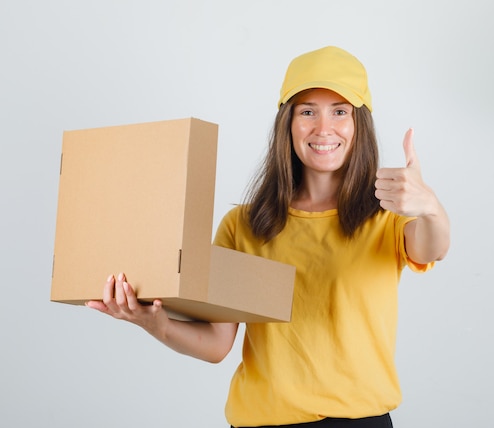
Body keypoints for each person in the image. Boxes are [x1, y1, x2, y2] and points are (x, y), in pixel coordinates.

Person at [86, 46, 450, 427]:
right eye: (307, 111)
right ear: (287, 124)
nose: (323, 128)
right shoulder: (243, 225)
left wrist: (430, 207)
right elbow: (216, 345)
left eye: (340, 111)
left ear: (358, 124)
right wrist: (154, 323)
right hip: (260, 422)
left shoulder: (387, 219)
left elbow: (434, 247)